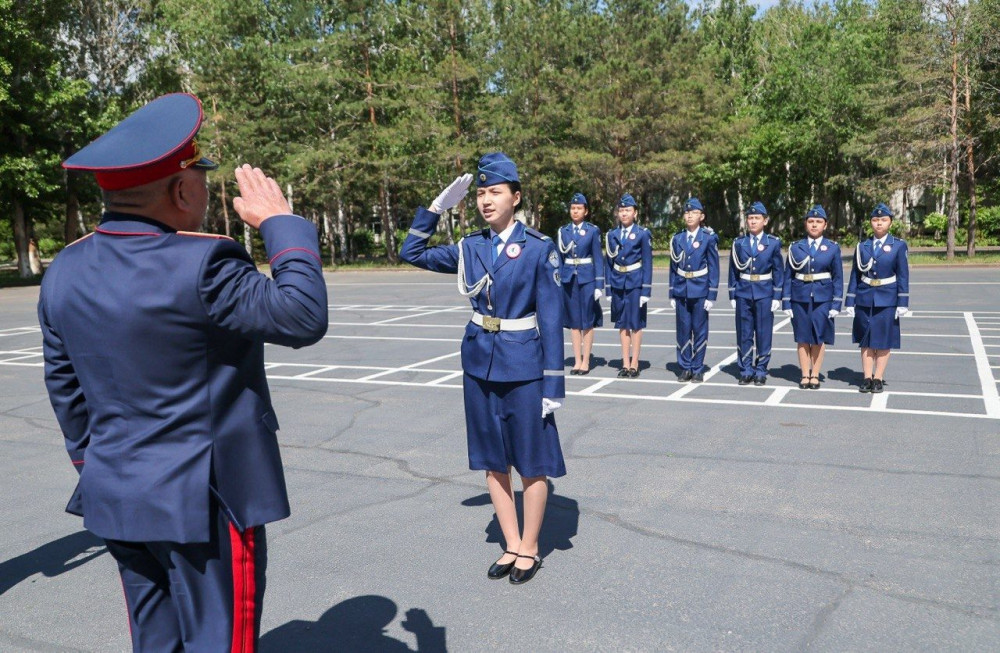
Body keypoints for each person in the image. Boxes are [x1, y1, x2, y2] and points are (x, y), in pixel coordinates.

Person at [38, 93, 329, 651]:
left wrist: (95, 464)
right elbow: (302, 315)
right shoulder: (204, 261)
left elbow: (65, 389)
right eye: (200, 177)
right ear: (180, 190)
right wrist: (283, 224)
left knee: (155, 640)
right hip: (203, 501)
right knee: (220, 641)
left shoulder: (65, 268)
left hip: (115, 490)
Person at [399, 152, 565, 585]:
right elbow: (410, 251)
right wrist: (435, 209)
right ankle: (511, 543)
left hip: (524, 365)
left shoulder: (539, 248)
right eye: (480, 194)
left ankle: (530, 547)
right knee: (493, 460)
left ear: (516, 197)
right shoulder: (469, 247)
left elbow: (551, 319)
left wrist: (554, 383)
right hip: (478, 361)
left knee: (531, 461)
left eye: (495, 192)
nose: (486, 200)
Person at [843, 203, 910, 393]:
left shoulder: (898, 245)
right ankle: (866, 377)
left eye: (883, 220)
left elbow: (903, 275)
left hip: (887, 298)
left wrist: (903, 301)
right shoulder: (862, 246)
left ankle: (878, 377)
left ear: (890, 223)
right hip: (865, 296)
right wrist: (850, 300)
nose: (879, 223)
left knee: (883, 339)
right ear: (870, 223)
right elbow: (855, 275)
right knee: (865, 338)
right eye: (875, 220)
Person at [781, 204, 843, 389]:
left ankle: (815, 374)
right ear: (805, 224)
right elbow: (788, 276)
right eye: (811, 221)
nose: (814, 225)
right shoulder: (796, 247)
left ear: (825, 225)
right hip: (800, 297)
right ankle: (804, 374)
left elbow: (838, 277)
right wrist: (786, 302)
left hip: (823, 298)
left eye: (818, 221)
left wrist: (836, 303)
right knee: (802, 337)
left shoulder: (832, 248)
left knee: (818, 336)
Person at [728, 201, 784, 385]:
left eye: (756, 218)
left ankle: (760, 369)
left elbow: (778, 270)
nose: (752, 221)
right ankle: (745, 369)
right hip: (743, 292)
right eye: (750, 218)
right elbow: (733, 270)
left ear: (765, 221)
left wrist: (777, 295)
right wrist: (732, 293)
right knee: (744, 333)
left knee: (763, 333)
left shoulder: (773, 243)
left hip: (764, 292)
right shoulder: (739, 243)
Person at [668, 198, 719, 383]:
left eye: (694, 213)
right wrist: (672, 292)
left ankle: (697, 368)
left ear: (702, 216)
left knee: (699, 330)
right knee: (683, 330)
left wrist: (711, 294)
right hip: (681, 288)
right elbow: (673, 267)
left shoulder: (708, 237)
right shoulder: (678, 238)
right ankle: (685, 367)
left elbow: (714, 267)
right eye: (687, 213)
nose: (689, 216)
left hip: (700, 289)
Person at [604, 193, 653, 378]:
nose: (624, 213)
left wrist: (646, 290)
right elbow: (608, 263)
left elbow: (647, 262)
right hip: (618, 282)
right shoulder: (612, 235)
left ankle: (635, 363)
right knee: (622, 323)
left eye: (628, 210)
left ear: (635, 213)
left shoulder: (642, 233)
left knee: (636, 324)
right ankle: (625, 363)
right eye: (621, 210)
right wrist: (608, 288)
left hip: (635, 283)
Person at [557, 192, 604, 375]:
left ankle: (586, 361)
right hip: (569, 279)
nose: (575, 211)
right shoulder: (563, 231)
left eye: (579, 208)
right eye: (572, 208)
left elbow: (598, 258)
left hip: (587, 278)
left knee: (587, 320)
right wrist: (559, 281)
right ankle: (577, 360)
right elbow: (560, 259)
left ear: (586, 211)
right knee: (574, 321)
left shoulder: (592, 230)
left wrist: (599, 285)